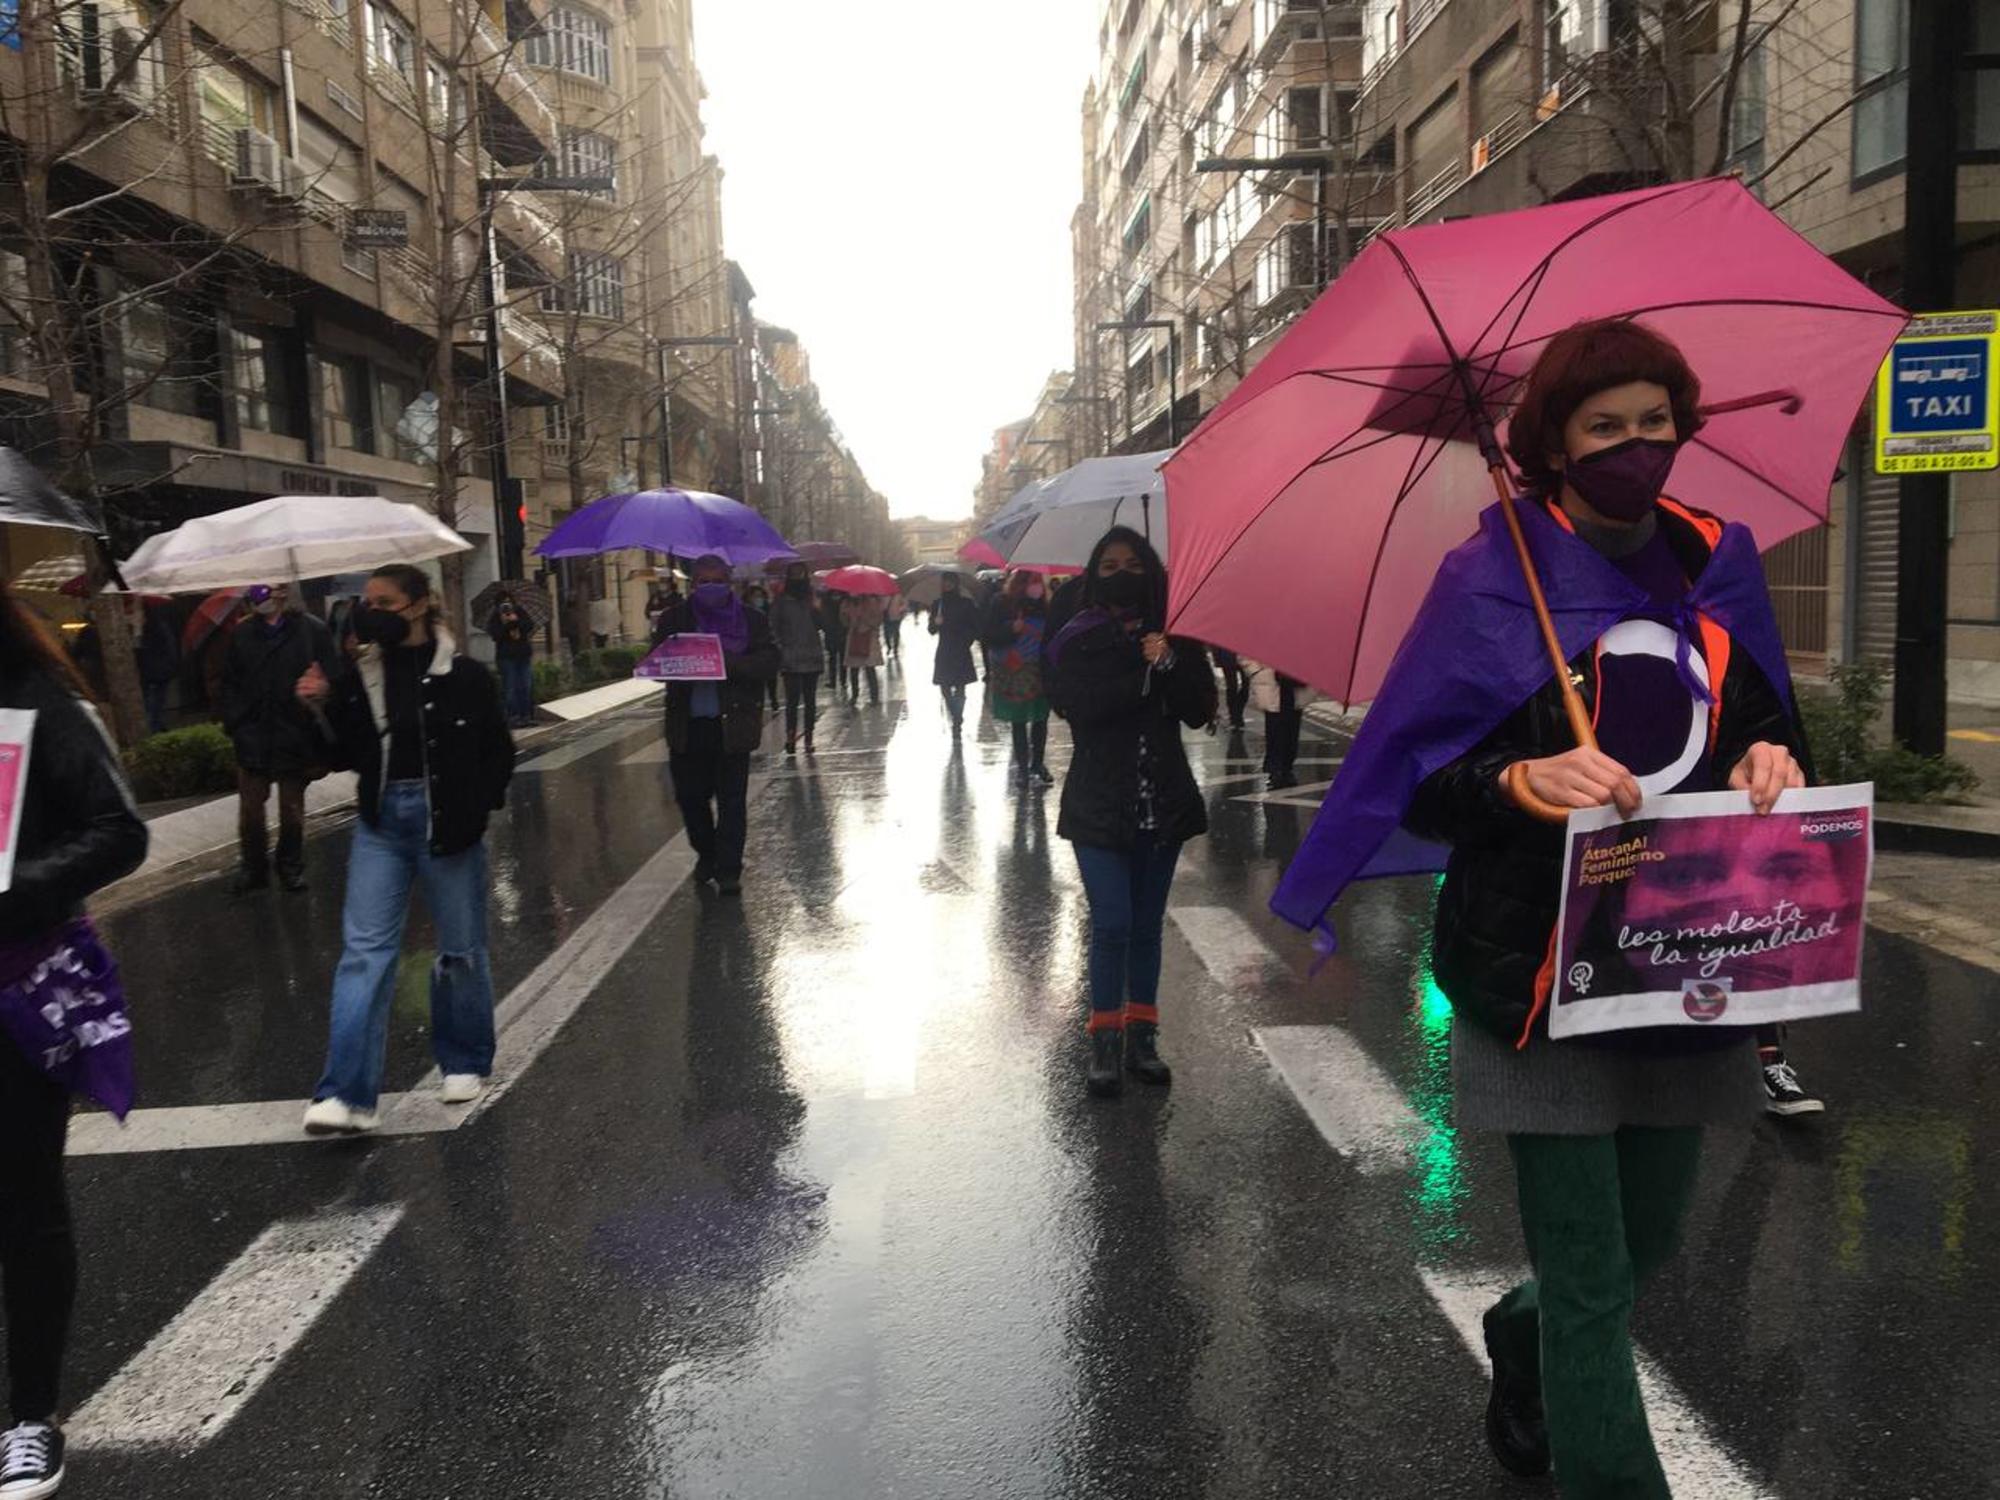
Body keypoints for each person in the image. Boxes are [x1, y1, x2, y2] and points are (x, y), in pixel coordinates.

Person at [1394, 319, 1810, 1497]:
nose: (1636, 447)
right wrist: (1517, 779)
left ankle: (1516, 1338)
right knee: (1589, 1277)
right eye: (1604, 427)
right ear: (1551, 445)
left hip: (1684, 964)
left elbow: (1770, 732)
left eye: (1653, 422)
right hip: (1534, 976)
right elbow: (1419, 778)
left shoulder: (1712, 562)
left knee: (1642, 1249)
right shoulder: (1489, 583)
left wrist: (1768, 765)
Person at [0, 581, 148, 1499]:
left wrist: (14, 891)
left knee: (23, 1201)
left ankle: (30, 1413)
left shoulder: (41, 708)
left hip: (18, 991)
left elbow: (118, 831)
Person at [296, 565, 515, 1134]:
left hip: (448, 824)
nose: (370, 612)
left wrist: (474, 812)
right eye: (366, 602)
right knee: (364, 954)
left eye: (384, 602)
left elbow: (498, 751)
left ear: (419, 606)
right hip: (381, 822)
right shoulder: (358, 674)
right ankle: (345, 1095)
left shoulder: (465, 675)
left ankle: (464, 1060)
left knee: (460, 951)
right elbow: (340, 756)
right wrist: (319, 704)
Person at [1045, 527, 1215, 1098]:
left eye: (1134, 564)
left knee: (1145, 928)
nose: (1122, 573)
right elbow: (1079, 707)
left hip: (1160, 803)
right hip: (1098, 803)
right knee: (1113, 922)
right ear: (1095, 572)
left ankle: (1143, 1037)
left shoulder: (1173, 634)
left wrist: (1168, 661)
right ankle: (1104, 1041)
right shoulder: (1076, 635)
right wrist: (1139, 675)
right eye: (1110, 564)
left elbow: (1199, 709)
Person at [654, 554, 780, 894]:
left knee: (731, 801)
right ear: (693, 583)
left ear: (730, 582)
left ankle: (729, 870)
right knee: (690, 799)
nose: (711, 587)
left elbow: (769, 662)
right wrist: (681, 657)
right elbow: (657, 662)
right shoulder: (674, 618)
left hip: (732, 725)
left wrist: (729, 662)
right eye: (703, 581)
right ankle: (706, 853)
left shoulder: (752, 621)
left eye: (718, 580)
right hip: (688, 725)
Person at [218, 584, 339, 894]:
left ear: (283, 591)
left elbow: (335, 676)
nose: (259, 598)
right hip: (253, 733)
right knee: (251, 809)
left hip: (295, 732)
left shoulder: (313, 631)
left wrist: (320, 693)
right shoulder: (242, 633)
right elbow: (229, 681)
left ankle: (290, 865)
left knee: (292, 808)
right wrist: (236, 722)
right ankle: (253, 868)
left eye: (266, 590)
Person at [983, 569, 1053, 788]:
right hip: (1013, 673)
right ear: (1021, 584)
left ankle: (1038, 765)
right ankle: (1022, 768)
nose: (1038, 587)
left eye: (1039, 583)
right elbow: (988, 635)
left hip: (1039, 671)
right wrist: (1011, 629)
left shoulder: (1045, 606)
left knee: (1041, 718)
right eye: (1033, 582)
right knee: (1019, 721)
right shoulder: (1001, 603)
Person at [769, 563, 824, 755]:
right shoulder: (782, 601)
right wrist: (781, 647)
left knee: (810, 700)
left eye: (801, 574)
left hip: (811, 654)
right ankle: (790, 736)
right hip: (790, 657)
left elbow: (823, 624)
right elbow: (773, 625)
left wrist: (818, 608)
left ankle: (809, 737)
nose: (798, 577)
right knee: (792, 700)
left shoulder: (812, 598)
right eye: (794, 574)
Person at [1245, 660, 1319, 789]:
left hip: (1295, 685)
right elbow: (1246, 656)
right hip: (1272, 684)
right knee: (1274, 732)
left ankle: (1287, 769)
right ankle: (1275, 771)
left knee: (1292, 732)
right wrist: (1258, 672)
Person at [929, 573, 980, 739]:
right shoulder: (938, 604)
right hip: (944, 649)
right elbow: (931, 630)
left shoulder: (966, 603)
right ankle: (955, 713)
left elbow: (975, 626)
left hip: (960, 649)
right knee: (944, 686)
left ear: (955, 584)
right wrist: (935, 624)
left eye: (949, 582)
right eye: (944, 582)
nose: (946, 585)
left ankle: (957, 719)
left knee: (960, 686)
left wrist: (966, 640)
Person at [486, 596, 537, 728]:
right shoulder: (495, 616)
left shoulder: (519, 611)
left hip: (523, 655)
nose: (506, 605)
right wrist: (507, 624)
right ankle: (513, 717)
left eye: (508, 602)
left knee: (525, 686)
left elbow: (529, 626)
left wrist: (516, 621)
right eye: (503, 603)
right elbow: (495, 635)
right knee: (510, 688)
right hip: (506, 657)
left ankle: (526, 716)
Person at [135, 602, 178, 736]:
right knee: (156, 703)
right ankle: (157, 726)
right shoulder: (156, 627)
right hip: (157, 671)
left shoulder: (152, 629)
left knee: (153, 704)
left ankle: (154, 729)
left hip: (154, 672)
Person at [841, 593, 885, 706]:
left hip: (869, 640)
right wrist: (845, 615)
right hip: (854, 638)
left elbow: (878, 621)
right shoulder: (847, 603)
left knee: (870, 669)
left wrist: (864, 618)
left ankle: (874, 697)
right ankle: (855, 695)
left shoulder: (873, 602)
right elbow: (844, 622)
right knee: (854, 669)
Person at [743, 584, 780, 713]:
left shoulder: (769, 611)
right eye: (755, 596)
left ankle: (773, 699)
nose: (758, 599)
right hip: (751, 653)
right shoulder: (744, 614)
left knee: (771, 678)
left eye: (760, 596)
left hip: (767, 650)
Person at [1212, 647, 1250, 730]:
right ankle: (1235, 717)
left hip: (1242, 656)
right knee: (1233, 687)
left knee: (1244, 686)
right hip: (1229, 656)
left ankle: (1236, 715)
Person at [883, 592, 906, 659]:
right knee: (886, 633)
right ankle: (889, 647)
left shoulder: (899, 595)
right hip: (887, 617)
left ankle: (895, 649)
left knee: (896, 633)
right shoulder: (884, 595)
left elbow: (904, 605)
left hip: (896, 617)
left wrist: (900, 609)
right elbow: (882, 606)